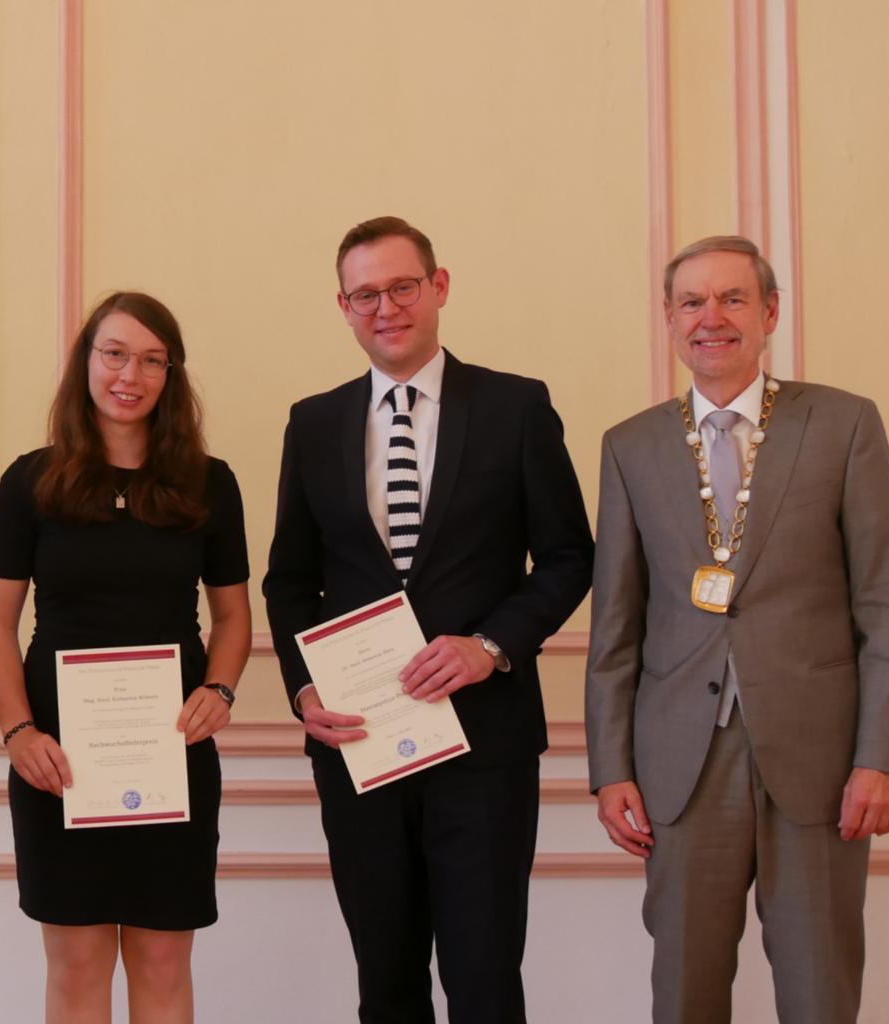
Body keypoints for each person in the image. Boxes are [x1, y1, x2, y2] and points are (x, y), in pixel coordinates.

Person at [584, 235, 889, 1023]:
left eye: (733, 299)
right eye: (692, 302)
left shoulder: (843, 424)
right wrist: (610, 770)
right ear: (669, 319)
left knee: (819, 992)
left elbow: (888, 603)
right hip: (679, 765)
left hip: (822, 765)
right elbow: (616, 625)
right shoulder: (630, 446)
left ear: (769, 312)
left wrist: (883, 757)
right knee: (685, 994)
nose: (712, 318)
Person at [263, 216, 594, 1022]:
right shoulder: (314, 423)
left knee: (483, 981)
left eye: (402, 287)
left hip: (484, 749)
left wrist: (491, 646)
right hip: (360, 748)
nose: (386, 308)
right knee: (387, 982)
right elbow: (289, 583)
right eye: (365, 294)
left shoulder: (517, 407)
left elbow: (569, 558)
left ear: (438, 287)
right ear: (343, 306)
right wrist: (305, 693)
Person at [0, 291, 252, 1024]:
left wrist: (220, 689)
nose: (131, 374)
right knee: (76, 963)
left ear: (172, 375)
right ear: (86, 363)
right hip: (58, 759)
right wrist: (17, 732)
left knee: (164, 961)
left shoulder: (208, 481)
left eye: (153, 360)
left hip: (172, 752)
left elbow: (231, 614)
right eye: (116, 353)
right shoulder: (29, 481)